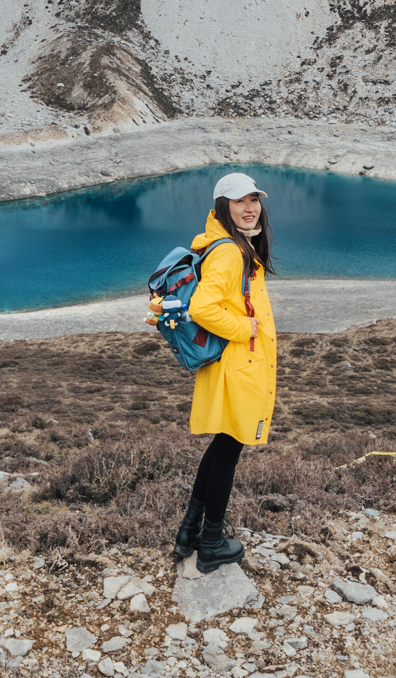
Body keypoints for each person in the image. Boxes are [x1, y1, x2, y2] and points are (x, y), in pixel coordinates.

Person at [172, 172, 278, 573]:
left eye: (254, 200)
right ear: (223, 207)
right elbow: (202, 307)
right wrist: (244, 328)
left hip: (234, 365)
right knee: (229, 452)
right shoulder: (230, 253)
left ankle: (189, 531)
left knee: (221, 448)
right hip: (240, 367)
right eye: (240, 201)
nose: (250, 208)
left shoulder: (232, 245)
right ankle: (212, 541)